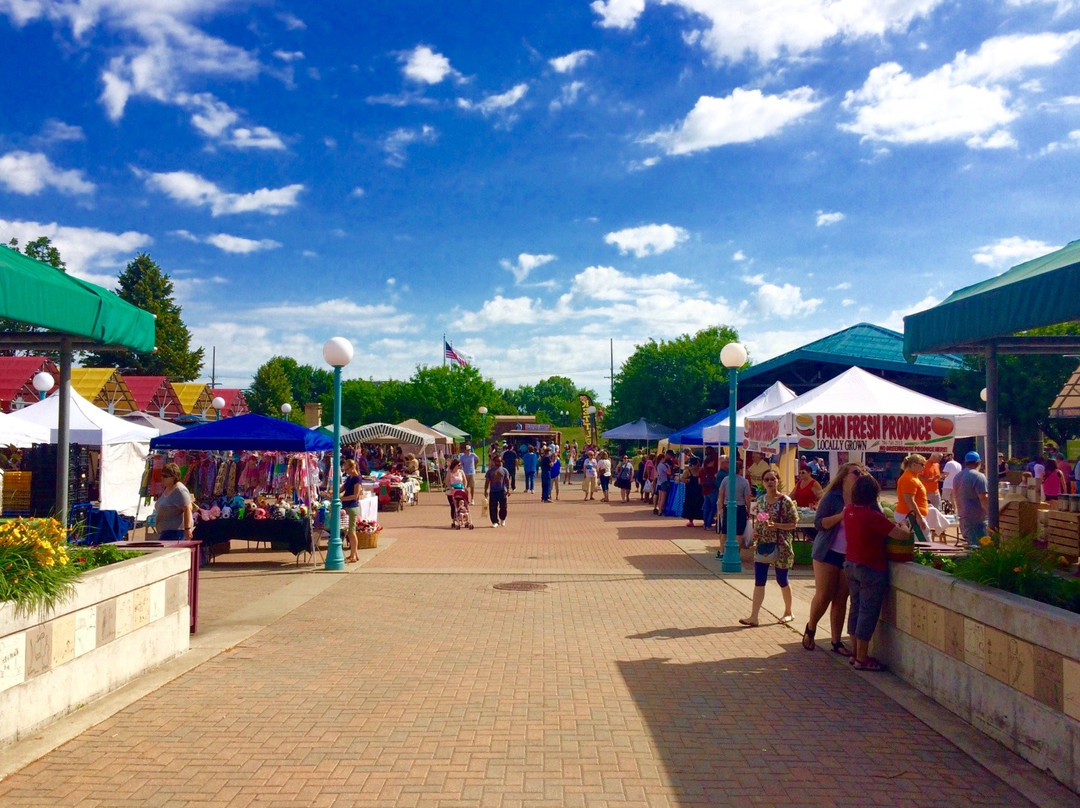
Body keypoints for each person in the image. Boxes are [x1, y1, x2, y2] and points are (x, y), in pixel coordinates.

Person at [844, 474, 911, 672]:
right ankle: (862, 658)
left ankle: (854, 653)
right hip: (870, 567)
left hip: (851, 564)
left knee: (855, 608)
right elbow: (900, 535)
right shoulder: (871, 516)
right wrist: (905, 525)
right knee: (867, 611)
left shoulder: (849, 511)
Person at [801, 462, 865, 656]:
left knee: (841, 598)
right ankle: (811, 628)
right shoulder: (832, 497)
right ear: (844, 476)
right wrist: (841, 516)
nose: (859, 475)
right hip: (827, 552)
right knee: (824, 594)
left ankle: (836, 642)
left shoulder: (863, 498)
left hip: (849, 555)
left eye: (862, 472)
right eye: (856, 472)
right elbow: (819, 524)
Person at [739, 469, 796, 626]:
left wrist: (776, 525)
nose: (770, 482)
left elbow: (794, 523)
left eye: (773, 479)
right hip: (763, 544)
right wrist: (757, 531)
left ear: (778, 481)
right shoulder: (762, 500)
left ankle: (788, 612)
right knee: (759, 580)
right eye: (767, 479)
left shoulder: (785, 501)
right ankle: (754, 616)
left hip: (781, 546)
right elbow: (760, 519)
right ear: (763, 483)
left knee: (782, 579)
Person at [953, 451, 989, 543]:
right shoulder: (979, 476)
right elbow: (983, 498)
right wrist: (991, 514)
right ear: (979, 462)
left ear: (965, 463)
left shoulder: (957, 476)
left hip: (963, 516)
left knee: (971, 545)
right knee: (981, 548)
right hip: (977, 518)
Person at [894, 454, 931, 539]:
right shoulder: (909, 479)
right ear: (913, 464)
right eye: (922, 464)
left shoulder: (912, 477)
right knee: (923, 542)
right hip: (910, 516)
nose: (924, 467)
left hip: (911, 515)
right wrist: (919, 518)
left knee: (921, 542)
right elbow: (910, 501)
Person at [715, 454, 752, 540]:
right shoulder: (744, 481)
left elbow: (721, 494)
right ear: (740, 469)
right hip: (740, 507)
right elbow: (747, 497)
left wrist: (720, 506)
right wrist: (749, 509)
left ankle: (721, 550)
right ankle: (737, 551)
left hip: (727, 506)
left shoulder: (726, 479)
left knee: (724, 530)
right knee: (739, 531)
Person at [155, 462, 194, 541]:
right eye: (162, 475)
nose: (162, 478)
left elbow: (188, 508)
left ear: (174, 477)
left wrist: (187, 529)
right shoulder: (168, 488)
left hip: (177, 532)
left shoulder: (180, 490)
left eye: (165, 476)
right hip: (166, 532)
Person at [341, 459, 362, 563]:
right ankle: (354, 554)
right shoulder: (350, 478)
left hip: (352, 507)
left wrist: (341, 498)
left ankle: (353, 555)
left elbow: (355, 496)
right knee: (349, 532)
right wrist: (332, 492)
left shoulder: (357, 479)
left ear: (353, 467)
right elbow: (342, 488)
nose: (346, 471)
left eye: (347, 469)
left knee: (351, 532)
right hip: (347, 507)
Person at [484, 454, 511, 527]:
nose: (498, 462)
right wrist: (486, 490)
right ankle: (495, 521)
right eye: (497, 461)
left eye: (500, 461)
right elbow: (487, 481)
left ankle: (502, 519)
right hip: (493, 491)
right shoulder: (490, 471)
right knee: (493, 507)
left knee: (503, 506)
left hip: (502, 490)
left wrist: (508, 489)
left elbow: (507, 480)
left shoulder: (504, 470)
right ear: (494, 462)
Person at [444, 457, 468, 526]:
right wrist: (450, 487)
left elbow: (465, 480)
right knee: (453, 506)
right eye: (458, 465)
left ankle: (463, 518)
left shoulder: (461, 472)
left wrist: (464, 487)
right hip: (452, 491)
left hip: (460, 490)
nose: (460, 466)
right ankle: (454, 520)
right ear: (455, 465)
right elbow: (447, 481)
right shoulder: (450, 472)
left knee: (461, 504)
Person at [681, 457, 704, 527]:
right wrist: (687, 481)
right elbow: (682, 479)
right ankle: (691, 520)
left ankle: (703, 518)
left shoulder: (701, 470)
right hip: (690, 491)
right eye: (697, 462)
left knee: (700, 504)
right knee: (690, 505)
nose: (699, 464)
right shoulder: (688, 471)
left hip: (699, 491)